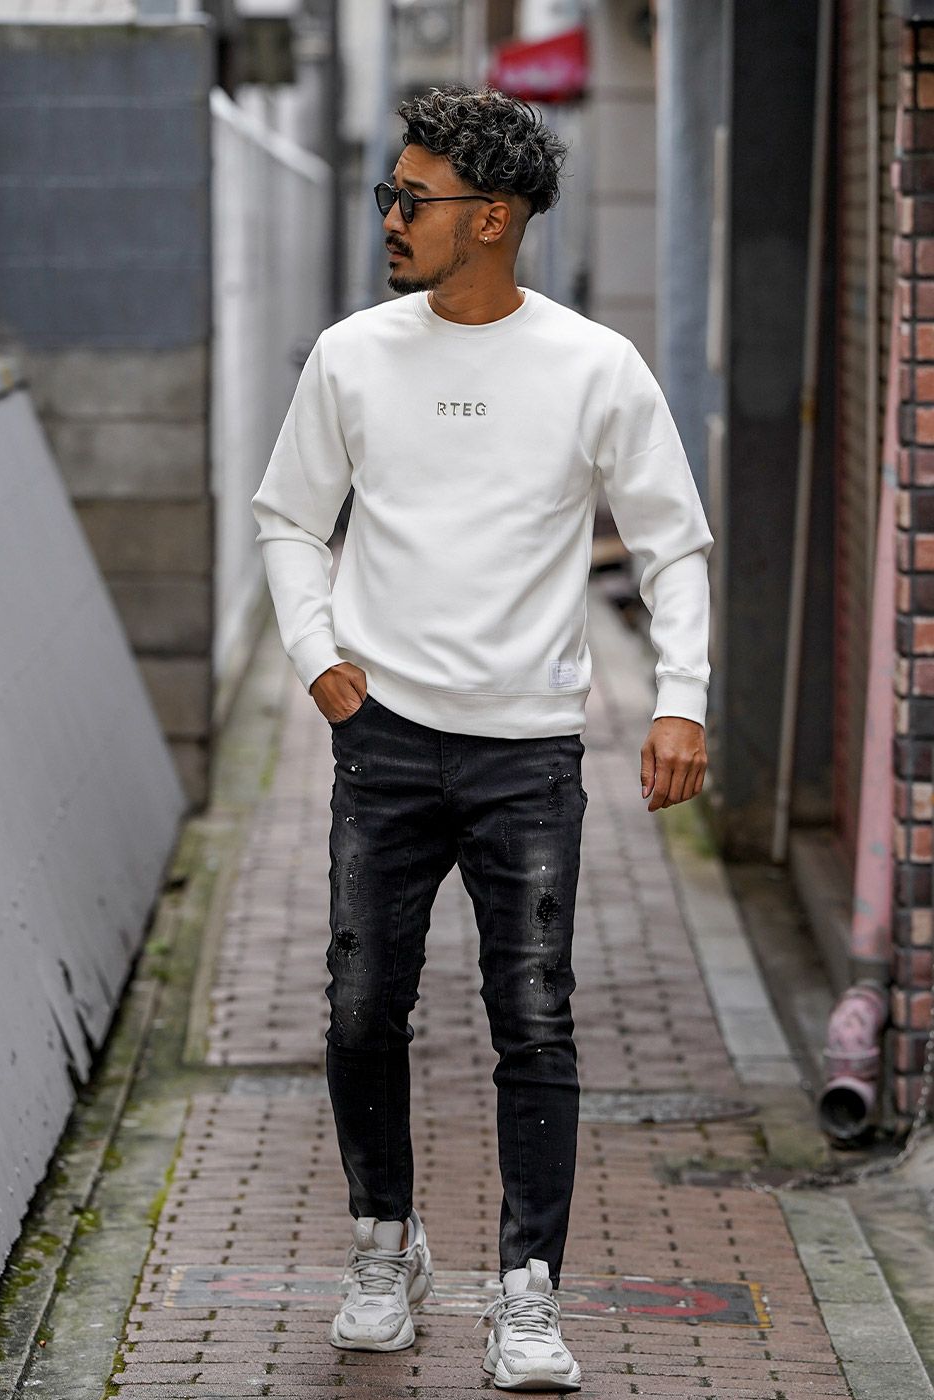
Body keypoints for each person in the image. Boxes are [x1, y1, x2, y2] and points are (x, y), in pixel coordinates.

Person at [251, 84, 713, 1394]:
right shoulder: (352, 356)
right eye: (389, 196)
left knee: (535, 1021)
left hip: (528, 753)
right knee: (360, 1010)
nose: (391, 218)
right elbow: (290, 517)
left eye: (414, 199)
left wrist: (681, 698)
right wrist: (322, 663)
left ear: (493, 218)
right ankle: (383, 1247)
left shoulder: (593, 367)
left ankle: (527, 1294)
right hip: (384, 740)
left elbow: (673, 542)